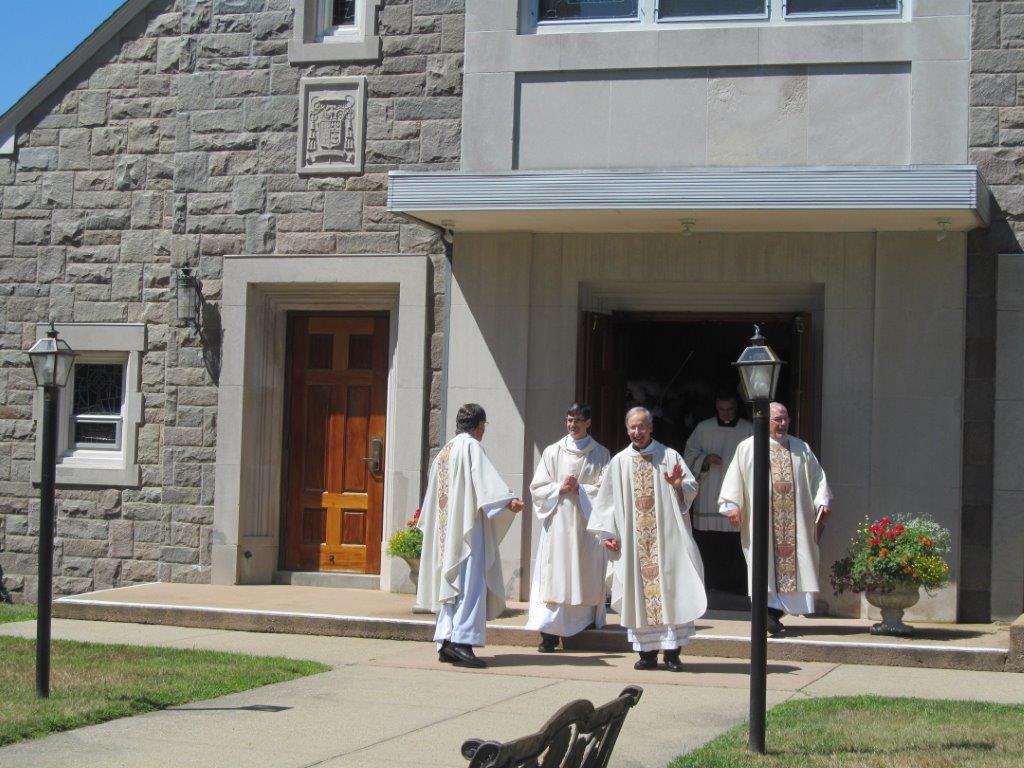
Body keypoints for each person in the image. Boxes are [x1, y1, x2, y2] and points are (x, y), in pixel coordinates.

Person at [587, 407, 707, 672]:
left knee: (671, 592)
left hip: (667, 542)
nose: (637, 432)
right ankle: (646, 654)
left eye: (642, 427)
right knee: (639, 595)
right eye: (632, 427)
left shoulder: (669, 455)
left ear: (651, 428)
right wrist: (607, 534)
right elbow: (605, 502)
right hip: (633, 545)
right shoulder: (619, 462)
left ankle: (673, 654)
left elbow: (691, 487)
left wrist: (677, 485)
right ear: (627, 429)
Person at [415, 403, 524, 668]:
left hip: (447, 533)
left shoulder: (445, 451)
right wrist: (508, 501)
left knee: (451, 587)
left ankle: (446, 641)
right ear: (479, 425)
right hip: (467, 532)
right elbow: (485, 482)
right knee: (469, 586)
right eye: (484, 427)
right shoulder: (472, 447)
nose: (483, 431)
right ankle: (462, 642)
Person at [718, 402, 833, 636]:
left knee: (796, 568)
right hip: (762, 524)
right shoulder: (748, 447)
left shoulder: (801, 448)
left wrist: (823, 501)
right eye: (777, 419)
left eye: (785, 419)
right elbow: (735, 478)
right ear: (765, 420)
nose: (782, 424)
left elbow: (817, 478)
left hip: (796, 524)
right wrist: (732, 506)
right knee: (764, 566)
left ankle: (772, 614)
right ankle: (768, 613)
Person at [526, 403, 611, 653]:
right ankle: (549, 635)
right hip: (559, 524)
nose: (572, 425)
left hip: (586, 525)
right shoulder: (553, 452)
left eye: (577, 421)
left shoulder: (601, 454)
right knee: (556, 574)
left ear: (588, 423)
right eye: (569, 420)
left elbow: (608, 491)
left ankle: (582, 624)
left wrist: (581, 490)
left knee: (583, 572)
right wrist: (559, 488)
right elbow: (537, 487)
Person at [683, 391, 753, 594]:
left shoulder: (748, 429)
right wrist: (705, 459)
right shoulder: (703, 428)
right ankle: (712, 584)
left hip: (739, 495)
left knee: (735, 544)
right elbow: (689, 454)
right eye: (721, 409)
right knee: (710, 543)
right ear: (716, 407)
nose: (725, 414)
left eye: (730, 409)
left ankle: (738, 586)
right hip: (710, 490)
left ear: (736, 407)